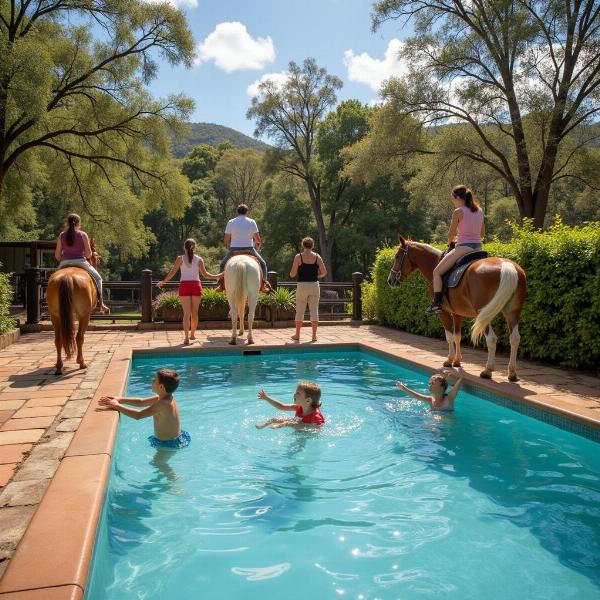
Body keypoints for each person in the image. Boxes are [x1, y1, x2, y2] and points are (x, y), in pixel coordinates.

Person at [426, 185, 485, 315]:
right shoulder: (479, 210)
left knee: (436, 272)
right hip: (479, 249)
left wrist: (451, 243)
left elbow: (450, 235)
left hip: (463, 248)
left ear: (457, 197)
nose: (452, 200)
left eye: (452, 198)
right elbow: (482, 235)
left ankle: (436, 304)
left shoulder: (458, 211)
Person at [99, 368, 190, 448]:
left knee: (158, 464)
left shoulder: (163, 404)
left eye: (155, 380)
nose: (152, 381)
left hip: (169, 443)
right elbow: (141, 402)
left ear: (161, 387)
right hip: (173, 438)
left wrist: (116, 406)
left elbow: (138, 415)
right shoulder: (165, 398)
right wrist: (120, 399)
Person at [156, 239, 221, 345]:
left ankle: (186, 338)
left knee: (186, 314)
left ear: (184, 247)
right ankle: (192, 335)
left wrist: (163, 281)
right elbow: (206, 275)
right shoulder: (199, 259)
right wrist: (218, 275)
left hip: (184, 286)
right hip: (196, 285)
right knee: (194, 313)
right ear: (194, 247)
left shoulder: (179, 259)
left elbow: (172, 272)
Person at [54, 213, 109, 313]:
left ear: (68, 223)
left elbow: (57, 256)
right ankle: (101, 303)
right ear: (78, 223)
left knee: (53, 280)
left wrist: (65, 257)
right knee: (98, 278)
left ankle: (48, 300)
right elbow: (88, 255)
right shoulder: (83, 235)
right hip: (81, 262)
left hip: (64, 262)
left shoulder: (62, 235)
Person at [217, 204, 270, 292]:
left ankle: (221, 285)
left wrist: (227, 246)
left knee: (222, 265)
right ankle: (263, 285)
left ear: (237, 212)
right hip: (249, 249)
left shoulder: (231, 222)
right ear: (247, 212)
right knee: (263, 264)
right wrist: (257, 245)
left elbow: (226, 239)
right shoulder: (252, 222)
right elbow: (257, 239)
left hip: (234, 249)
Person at [289, 237, 327, 342]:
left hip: (302, 286)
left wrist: (294, 270)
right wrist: (317, 276)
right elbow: (324, 272)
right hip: (314, 285)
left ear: (303, 245)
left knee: (300, 311)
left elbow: (292, 274)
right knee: (314, 311)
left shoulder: (298, 257)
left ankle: (297, 335)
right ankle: (314, 336)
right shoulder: (317, 257)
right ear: (312, 245)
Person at [256, 381, 325, 429]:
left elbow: (318, 430)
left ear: (308, 400)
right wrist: (266, 398)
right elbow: (281, 406)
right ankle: (261, 426)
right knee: (273, 419)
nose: (294, 394)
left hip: (305, 434)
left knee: (289, 423)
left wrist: (288, 424)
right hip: (297, 421)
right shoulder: (299, 407)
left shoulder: (316, 417)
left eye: (298, 393)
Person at [395, 370, 464, 412]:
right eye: (429, 384)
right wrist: (403, 387)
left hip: (447, 422)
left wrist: (452, 372)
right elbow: (416, 396)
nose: (430, 386)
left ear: (441, 387)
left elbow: (460, 381)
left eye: (433, 384)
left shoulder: (449, 398)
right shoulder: (430, 399)